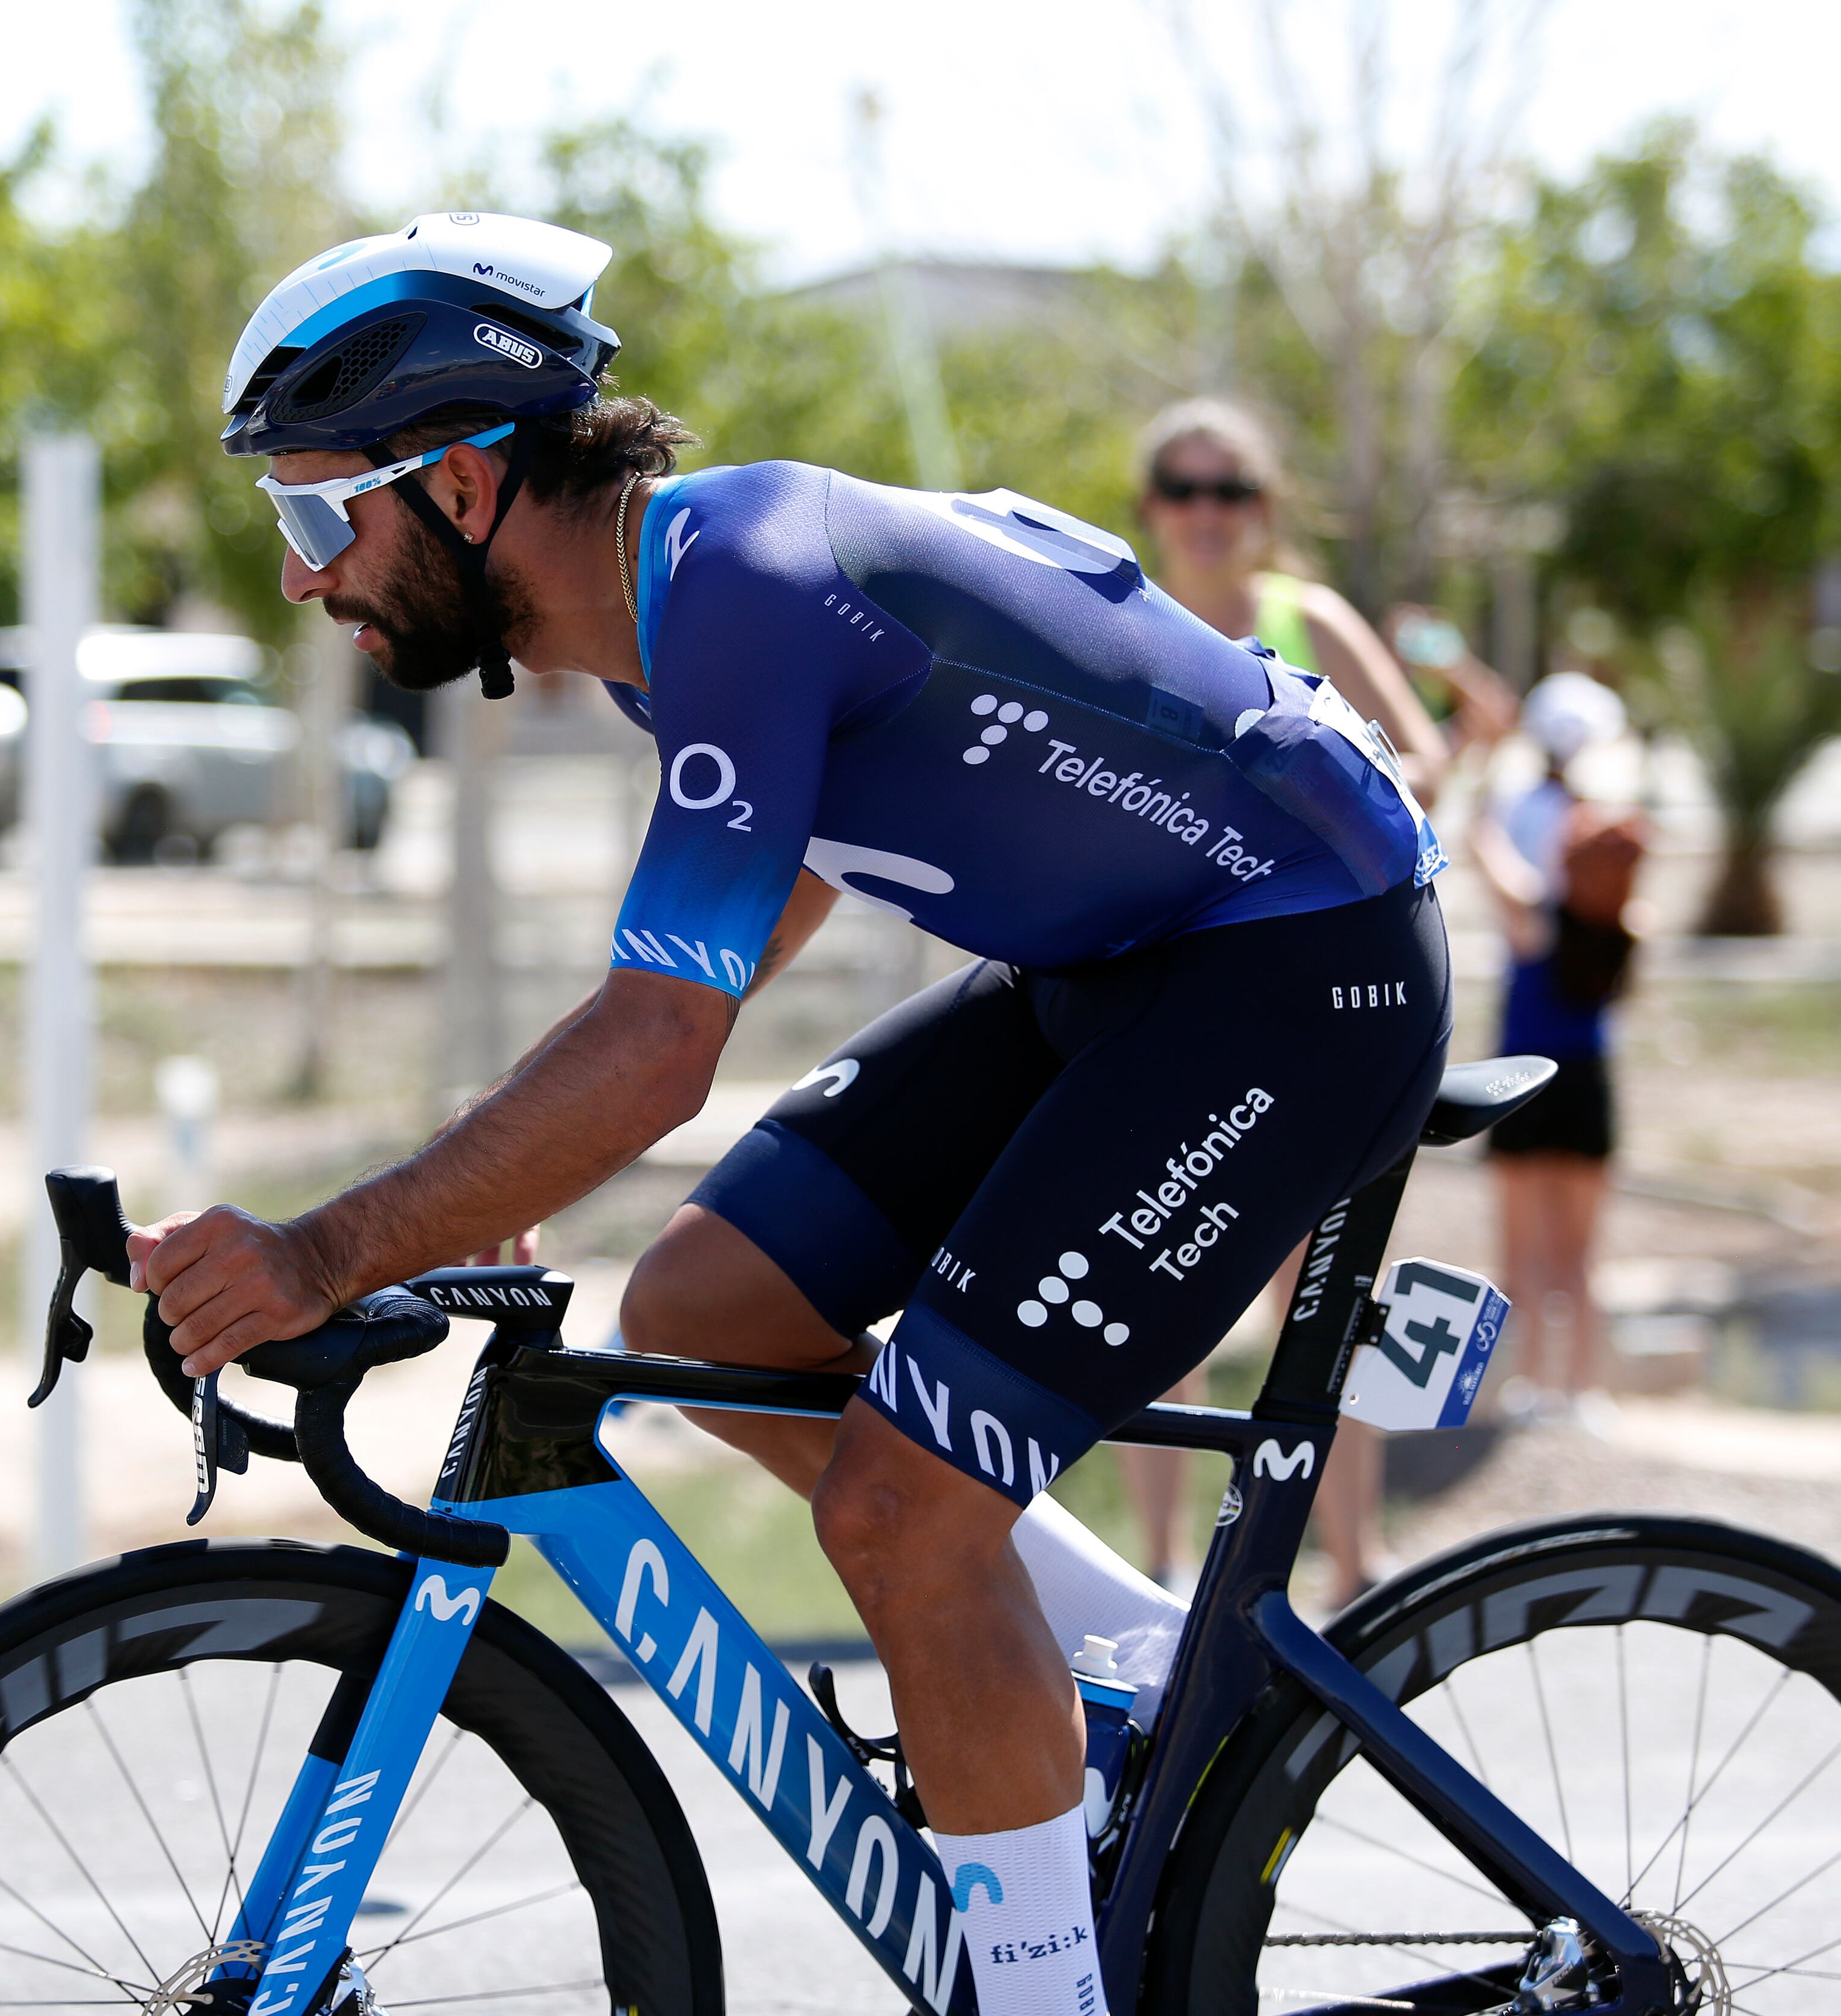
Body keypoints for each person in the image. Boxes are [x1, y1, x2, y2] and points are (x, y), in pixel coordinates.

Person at [132, 214, 1453, 2016]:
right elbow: (747, 927)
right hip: (1130, 961)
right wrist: (516, 1158)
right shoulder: (648, 625)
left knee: (907, 1519)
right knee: (700, 1317)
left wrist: (332, 1242)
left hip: (1298, 971)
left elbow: (660, 1042)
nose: (300, 575)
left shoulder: (743, 582)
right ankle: (1131, 1665)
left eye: (314, 516)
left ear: (453, 486)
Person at [1117, 399, 1453, 1605]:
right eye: (1182, 486)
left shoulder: (1303, 620)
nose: (1205, 513)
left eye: (1231, 490)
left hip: (1319, 991)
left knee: (1324, 1298)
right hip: (1164, 990)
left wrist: (1309, 762)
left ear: (1263, 510)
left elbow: (1425, 757)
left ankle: (1353, 1563)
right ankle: (1157, 1574)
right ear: (1152, 505)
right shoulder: (1121, 616)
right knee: (1152, 1293)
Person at [1466, 670, 1646, 1420]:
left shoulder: (1532, 916)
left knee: (1521, 1247)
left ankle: (1525, 1383)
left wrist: (1482, 762)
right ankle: (1584, 1389)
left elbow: (1480, 846)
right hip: (1589, 1076)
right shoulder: (1626, 928)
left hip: (1521, 1075)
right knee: (1580, 1253)